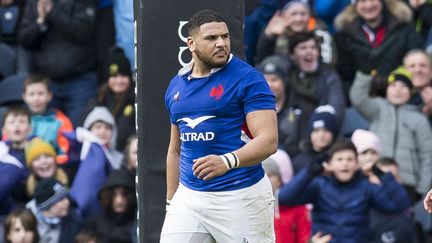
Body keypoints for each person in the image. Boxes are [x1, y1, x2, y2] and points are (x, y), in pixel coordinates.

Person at [160, 10, 278, 242]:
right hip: (190, 198)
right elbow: (175, 150)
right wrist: (171, 201)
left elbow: (269, 141)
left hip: (242, 196)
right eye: (211, 39)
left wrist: (226, 161)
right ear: (191, 44)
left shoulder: (248, 79)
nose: (221, 43)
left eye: (224, 37)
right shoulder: (177, 86)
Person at [279, 141, 411, 242]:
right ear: (330, 164)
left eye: (349, 159)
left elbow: (400, 204)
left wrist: (380, 174)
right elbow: (284, 197)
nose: (345, 164)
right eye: (339, 159)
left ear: (356, 164)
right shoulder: (319, 185)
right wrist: (309, 172)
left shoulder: (366, 187)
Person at [350, 66, 432, 203]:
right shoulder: (377, 108)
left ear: (410, 92)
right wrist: (364, 72)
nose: (398, 90)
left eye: (403, 86)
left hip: (407, 184)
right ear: (386, 89)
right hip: (375, 178)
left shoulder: (419, 119)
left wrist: (422, 189)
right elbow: (358, 98)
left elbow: (427, 154)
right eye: (393, 85)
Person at [18, 0, 98, 126]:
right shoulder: (35, 2)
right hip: (47, 82)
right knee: (42, 136)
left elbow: (85, 33)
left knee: (78, 134)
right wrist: (40, 23)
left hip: (80, 82)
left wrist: (52, 13)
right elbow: (24, 40)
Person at [334, 0, 424, 97]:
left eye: (373, 0)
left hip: (401, 97)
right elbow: (343, 76)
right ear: (355, 5)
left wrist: (391, 82)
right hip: (359, 101)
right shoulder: (344, 35)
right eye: (362, 1)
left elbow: (417, 64)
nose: (368, 5)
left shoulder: (404, 29)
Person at [80, 47, 135, 151]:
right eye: (114, 76)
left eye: (123, 76)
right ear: (107, 79)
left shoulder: (136, 101)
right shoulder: (98, 100)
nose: (119, 81)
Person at [255, 0, 335, 65]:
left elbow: (329, 63)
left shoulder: (320, 32)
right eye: (293, 14)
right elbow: (262, 61)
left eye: (303, 14)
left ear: (309, 16)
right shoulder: (274, 31)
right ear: (283, 16)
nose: (298, 19)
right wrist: (267, 36)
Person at [22, 73, 74, 164]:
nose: (36, 98)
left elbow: (66, 151)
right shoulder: (17, 119)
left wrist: (51, 163)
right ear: (24, 97)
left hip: (50, 167)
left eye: (41, 94)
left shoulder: (61, 120)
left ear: (49, 96)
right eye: (31, 94)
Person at [262, 156, 311, 243]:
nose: (267, 180)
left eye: (270, 175)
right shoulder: (252, 207)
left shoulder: (298, 206)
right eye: (263, 177)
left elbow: (304, 238)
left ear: (279, 179)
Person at [83, 169, 137, 243]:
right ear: (108, 196)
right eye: (114, 195)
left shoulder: (137, 223)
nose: (119, 201)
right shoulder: (95, 223)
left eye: (124, 195)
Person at [26, 177, 82, 243]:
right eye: (61, 200)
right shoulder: (25, 220)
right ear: (47, 206)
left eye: (66, 197)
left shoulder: (73, 220)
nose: (67, 202)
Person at [291, 105, 337, 174]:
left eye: (326, 130)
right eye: (316, 130)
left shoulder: (340, 157)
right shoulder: (299, 160)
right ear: (310, 133)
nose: (321, 135)